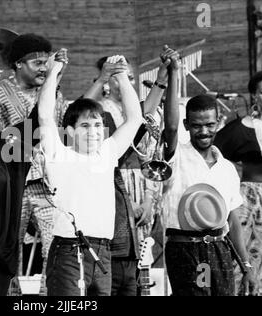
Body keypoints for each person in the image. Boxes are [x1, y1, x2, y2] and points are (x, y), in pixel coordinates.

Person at [39, 54, 143, 296]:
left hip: (104, 252)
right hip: (69, 250)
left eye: (98, 126)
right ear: (70, 131)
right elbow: (44, 115)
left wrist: (121, 75)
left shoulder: (107, 152)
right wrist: (54, 71)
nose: (94, 132)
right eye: (85, 126)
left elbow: (135, 118)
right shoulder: (59, 153)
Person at [83, 47, 176, 296]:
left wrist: (148, 199)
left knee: (139, 256)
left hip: (141, 181)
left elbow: (148, 111)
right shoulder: (98, 111)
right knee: (115, 254)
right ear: (106, 81)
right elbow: (81, 108)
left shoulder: (137, 110)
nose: (127, 81)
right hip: (112, 185)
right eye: (119, 75)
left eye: (131, 77)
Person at [161, 51, 256, 296]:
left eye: (210, 125)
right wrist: (174, 73)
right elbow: (169, 126)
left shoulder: (227, 168)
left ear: (219, 122)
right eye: (196, 125)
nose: (204, 131)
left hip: (220, 249)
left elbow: (233, 221)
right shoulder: (176, 154)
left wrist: (246, 264)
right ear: (186, 126)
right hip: (185, 249)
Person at [0, 33, 69, 294]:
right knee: (8, 248)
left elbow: (62, 130)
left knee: (56, 246)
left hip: (47, 184)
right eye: (38, 63)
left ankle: (50, 297)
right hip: (11, 184)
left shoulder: (54, 91)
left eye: (47, 63)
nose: (44, 68)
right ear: (19, 64)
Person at [214, 71, 262, 296]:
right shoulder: (238, 129)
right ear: (254, 96)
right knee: (247, 258)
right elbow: (214, 156)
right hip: (251, 199)